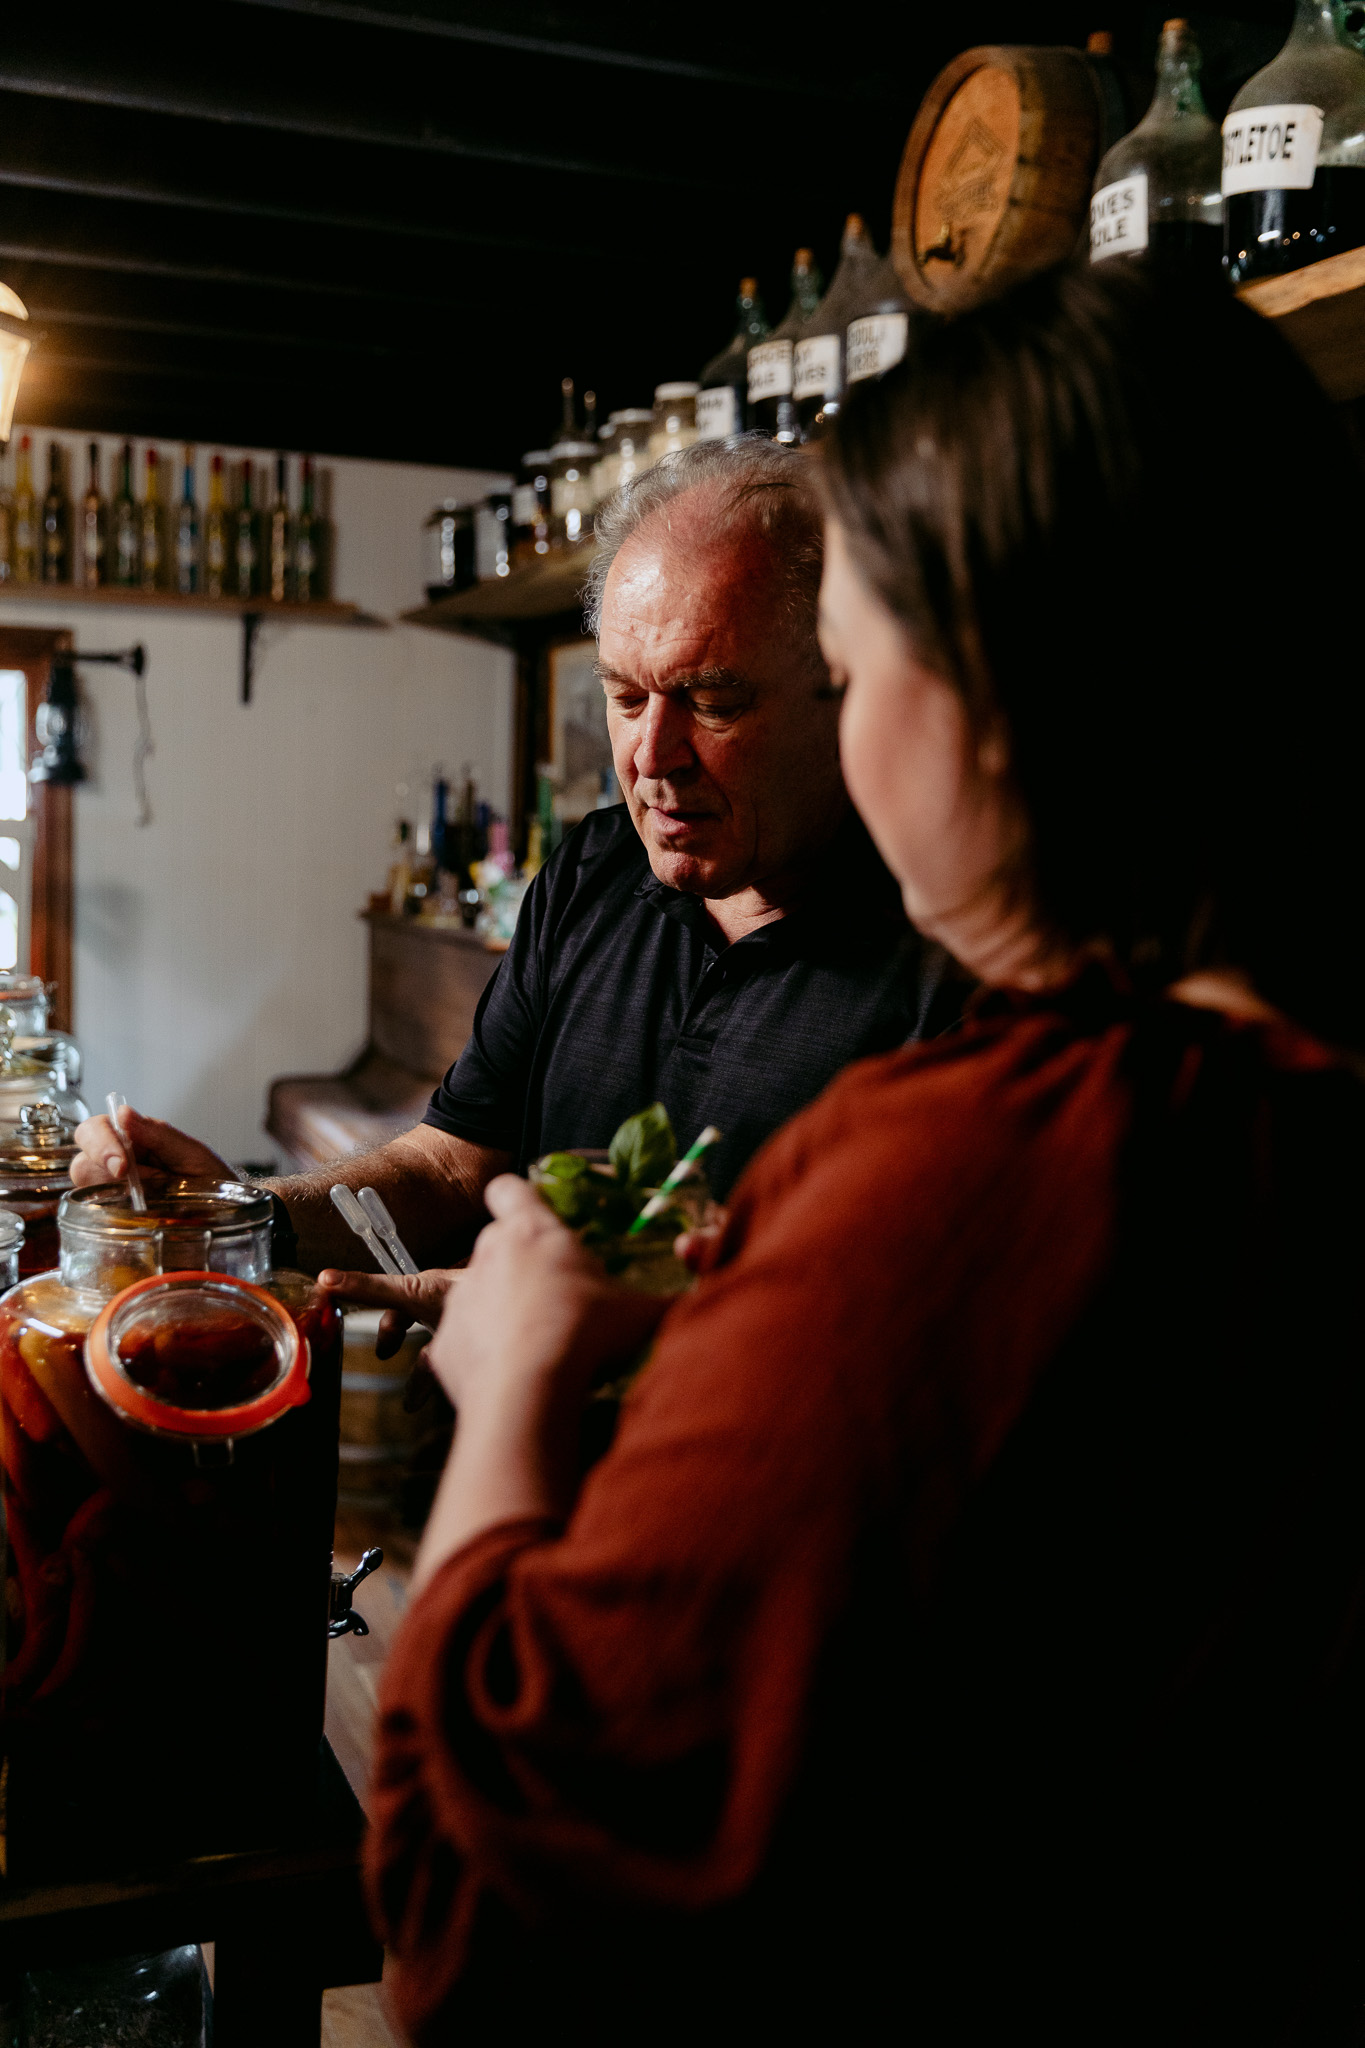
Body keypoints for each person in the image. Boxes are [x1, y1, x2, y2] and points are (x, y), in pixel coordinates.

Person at [364, 266, 1365, 2046]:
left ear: (995, 698)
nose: (663, 755)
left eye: (843, 667)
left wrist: (513, 1378)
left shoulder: (970, 1167)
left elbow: (490, 1900)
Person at [71, 440, 961, 1329]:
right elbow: (450, 1168)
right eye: (623, 698)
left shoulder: (948, 952)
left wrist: (581, 1326)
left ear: (850, 686)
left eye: (713, 702)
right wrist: (234, 1216)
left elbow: (924, 1327)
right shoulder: (596, 870)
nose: (651, 757)